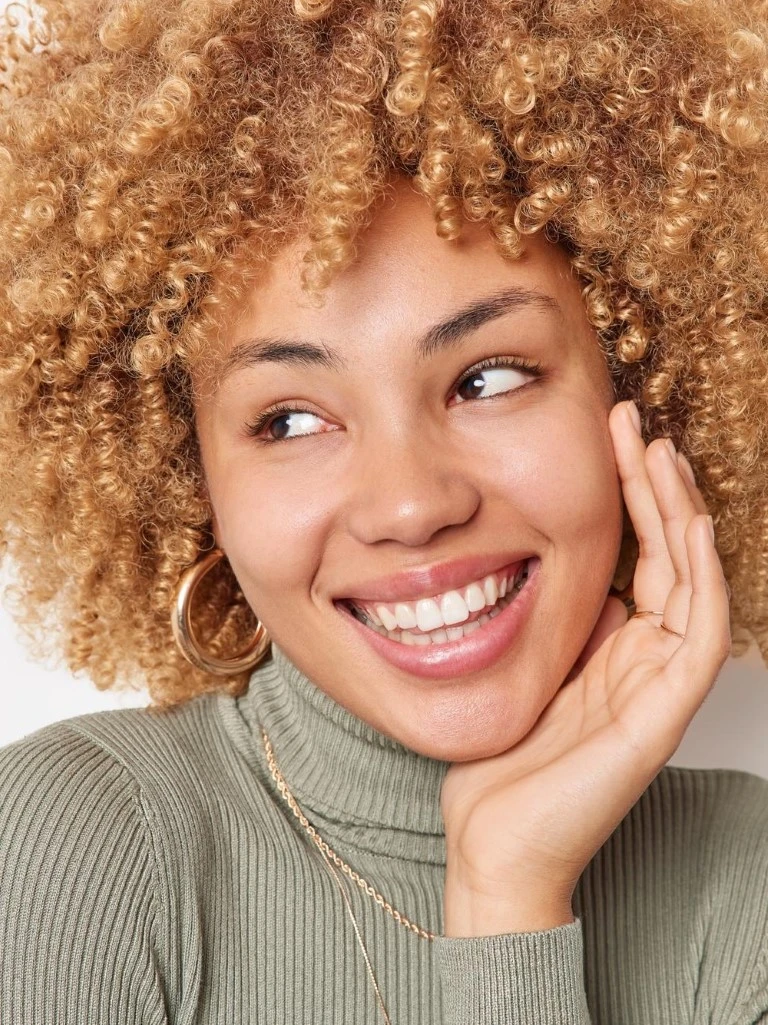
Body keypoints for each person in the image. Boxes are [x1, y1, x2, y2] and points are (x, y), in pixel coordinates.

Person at [0, 0, 766, 1021]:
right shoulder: (79, 838)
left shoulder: (746, 883)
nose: (410, 505)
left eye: (489, 377)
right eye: (287, 419)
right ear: (194, 481)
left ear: (647, 392)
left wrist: (507, 900)